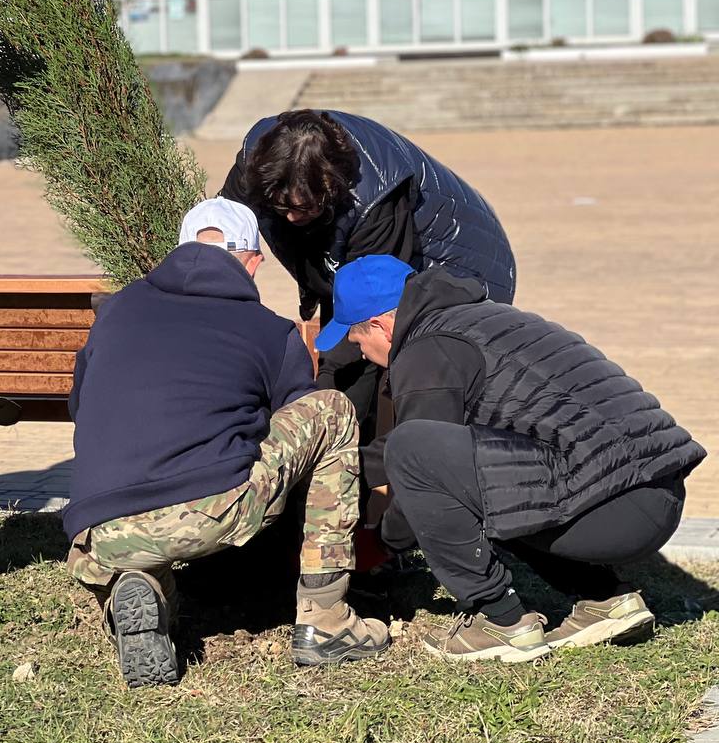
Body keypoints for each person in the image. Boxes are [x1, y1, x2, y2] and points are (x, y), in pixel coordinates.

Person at [64, 197, 390, 688]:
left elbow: (80, 407)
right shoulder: (270, 331)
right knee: (331, 412)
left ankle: (136, 584)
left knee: (136, 551)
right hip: (208, 508)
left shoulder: (116, 311)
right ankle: (326, 620)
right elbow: (291, 423)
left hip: (98, 528)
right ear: (252, 262)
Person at [317, 254, 707, 662]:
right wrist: (348, 470)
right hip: (656, 493)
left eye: (357, 342)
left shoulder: (427, 350)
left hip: (613, 509)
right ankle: (605, 598)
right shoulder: (487, 319)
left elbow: (415, 460)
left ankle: (501, 621)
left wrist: (379, 544)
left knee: (416, 450)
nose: (362, 355)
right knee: (492, 467)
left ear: (380, 326)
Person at [219, 109, 516, 496]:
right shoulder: (257, 163)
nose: (289, 218)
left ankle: (370, 496)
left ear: (331, 187)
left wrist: (324, 413)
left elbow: (357, 332)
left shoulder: (376, 202)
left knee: (405, 384)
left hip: (456, 266)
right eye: (280, 207)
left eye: (303, 208)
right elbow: (220, 229)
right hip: (366, 259)